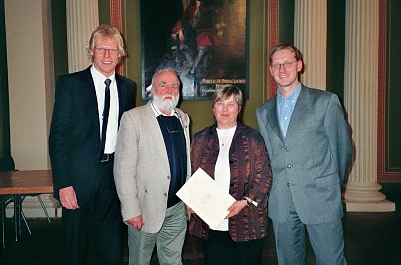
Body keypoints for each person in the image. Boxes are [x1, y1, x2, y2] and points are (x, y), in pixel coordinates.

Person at [256, 43, 352, 265]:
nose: (282, 69)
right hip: (282, 202)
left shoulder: (325, 102)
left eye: (288, 63)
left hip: (321, 198)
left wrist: (331, 186)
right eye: (277, 64)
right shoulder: (263, 111)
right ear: (271, 70)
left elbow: (342, 149)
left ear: (299, 65)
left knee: (331, 261)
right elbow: (271, 155)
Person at [49, 24, 136, 265]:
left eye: (112, 49)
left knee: (112, 252)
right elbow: (58, 136)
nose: (107, 55)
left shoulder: (128, 88)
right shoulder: (70, 84)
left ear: (121, 54)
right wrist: (63, 184)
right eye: (101, 49)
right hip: (78, 181)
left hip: (113, 179)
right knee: (76, 253)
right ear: (91, 51)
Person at [114, 69, 191, 264]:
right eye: (163, 84)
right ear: (152, 90)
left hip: (176, 209)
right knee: (140, 261)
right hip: (146, 210)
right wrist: (131, 210)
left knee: (173, 261)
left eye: (175, 86)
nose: (169, 90)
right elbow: (124, 169)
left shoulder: (183, 118)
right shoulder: (133, 118)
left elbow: (185, 162)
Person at [189, 84, 272, 265]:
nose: (225, 109)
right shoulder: (200, 139)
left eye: (231, 104)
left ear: (239, 109)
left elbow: (264, 177)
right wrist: (191, 201)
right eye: (220, 103)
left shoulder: (253, 138)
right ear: (213, 107)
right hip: (210, 222)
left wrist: (244, 201)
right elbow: (192, 176)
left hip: (247, 221)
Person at [171, 0, 227, 74]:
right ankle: (194, 65)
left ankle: (194, 69)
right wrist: (180, 30)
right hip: (191, 33)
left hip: (205, 31)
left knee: (204, 39)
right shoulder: (191, 8)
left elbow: (220, 18)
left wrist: (219, 25)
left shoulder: (209, 7)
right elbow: (182, 20)